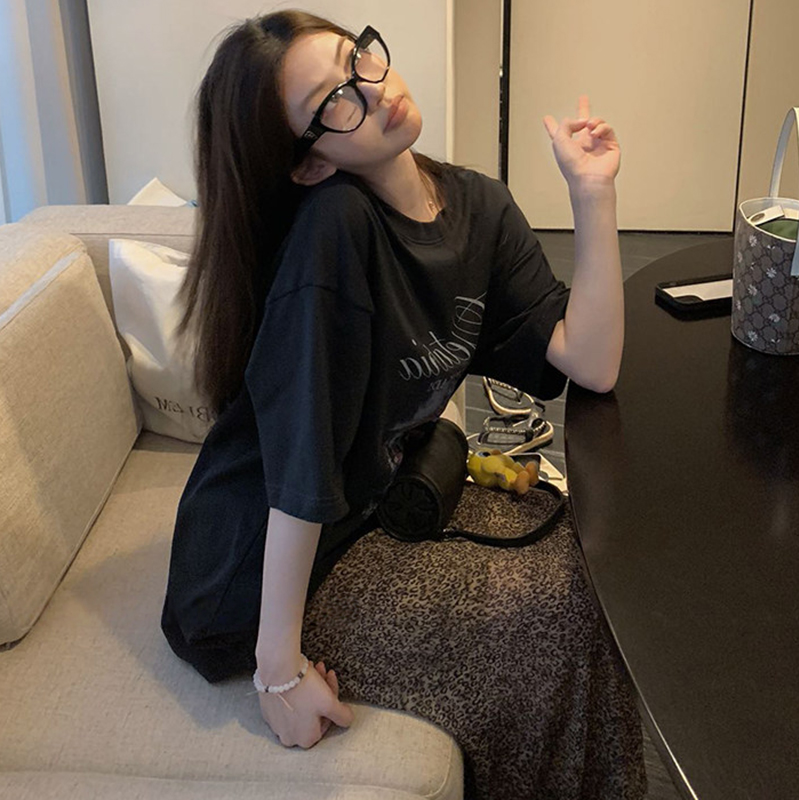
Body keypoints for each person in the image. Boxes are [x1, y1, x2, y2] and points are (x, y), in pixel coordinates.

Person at [161, 9, 644, 798]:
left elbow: (589, 362)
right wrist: (277, 672)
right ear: (309, 164)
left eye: (358, 60)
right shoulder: (335, 227)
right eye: (333, 100)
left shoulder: (478, 207)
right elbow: (300, 465)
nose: (371, 89)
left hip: (367, 512)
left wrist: (592, 195)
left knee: (583, 567)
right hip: (253, 576)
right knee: (550, 620)